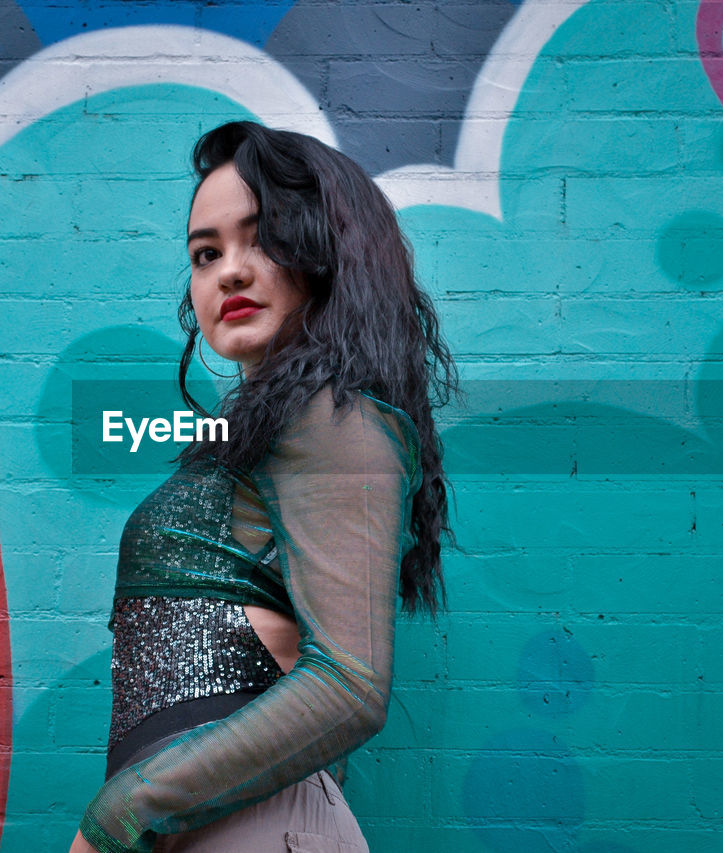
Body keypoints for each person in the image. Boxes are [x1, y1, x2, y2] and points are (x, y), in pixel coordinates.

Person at [70, 120, 456, 853]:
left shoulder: (333, 415)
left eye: (264, 238)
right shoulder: (274, 427)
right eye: (205, 253)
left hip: (239, 825)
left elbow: (349, 685)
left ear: (323, 251)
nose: (231, 271)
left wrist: (120, 814)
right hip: (212, 822)